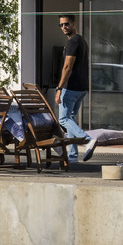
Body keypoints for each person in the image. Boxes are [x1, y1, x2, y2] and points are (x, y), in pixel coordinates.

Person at [54, 14, 91, 164]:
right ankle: (73, 156)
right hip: (82, 88)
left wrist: (59, 88)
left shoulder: (73, 41)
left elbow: (67, 67)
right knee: (70, 119)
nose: (64, 27)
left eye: (66, 24)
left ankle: (88, 140)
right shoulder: (81, 40)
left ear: (74, 23)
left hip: (71, 88)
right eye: (61, 25)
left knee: (63, 119)